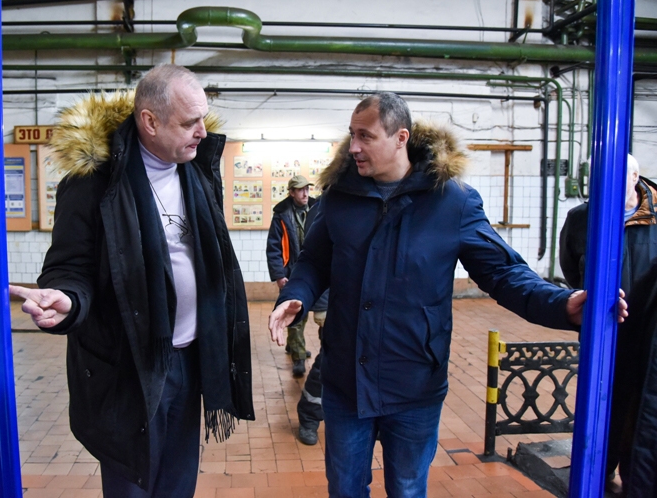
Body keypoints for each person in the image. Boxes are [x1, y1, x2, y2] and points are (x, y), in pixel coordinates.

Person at [268, 92, 626, 497]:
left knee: (407, 489)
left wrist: (559, 304)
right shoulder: (338, 198)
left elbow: (502, 271)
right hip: (346, 381)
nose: (353, 147)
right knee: (345, 488)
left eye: (365, 136)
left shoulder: (451, 201)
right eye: (352, 135)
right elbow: (313, 262)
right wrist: (296, 295)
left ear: (400, 138)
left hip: (415, 384)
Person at [9, 64, 254, 498]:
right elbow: (70, 266)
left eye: (202, 118)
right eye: (189, 122)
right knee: (133, 482)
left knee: (178, 483)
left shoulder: (196, 171)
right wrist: (68, 299)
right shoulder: (93, 183)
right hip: (130, 365)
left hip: (190, 357)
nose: (202, 131)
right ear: (150, 121)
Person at [560, 154, 657, 497]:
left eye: (614, 178)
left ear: (635, 177)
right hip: (604, 333)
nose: (604, 188)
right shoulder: (581, 218)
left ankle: (635, 478)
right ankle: (599, 472)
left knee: (640, 410)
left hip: (648, 336)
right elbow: (571, 267)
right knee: (600, 405)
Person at [266, 175, 316, 377]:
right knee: (296, 315)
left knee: (321, 316)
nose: (305, 193)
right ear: (292, 192)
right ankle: (298, 356)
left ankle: (295, 345)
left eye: (307, 189)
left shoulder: (317, 209)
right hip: (292, 272)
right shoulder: (281, 215)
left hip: (315, 271)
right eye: (300, 190)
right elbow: (273, 248)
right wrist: (279, 275)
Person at [296, 199, 329, 446]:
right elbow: (313, 261)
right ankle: (309, 416)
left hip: (385, 313)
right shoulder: (332, 203)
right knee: (328, 361)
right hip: (341, 305)